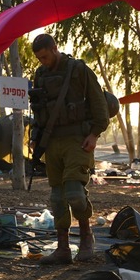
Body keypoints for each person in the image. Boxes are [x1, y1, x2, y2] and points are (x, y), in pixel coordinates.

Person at [29, 34, 110, 265]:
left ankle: (86, 239)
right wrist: (36, 137)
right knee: (57, 198)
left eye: (45, 56)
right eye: (39, 58)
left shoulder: (79, 70)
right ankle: (63, 248)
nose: (42, 61)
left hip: (78, 139)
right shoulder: (41, 75)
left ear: (55, 48)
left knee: (74, 192)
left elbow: (99, 104)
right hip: (52, 142)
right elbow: (38, 110)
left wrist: (94, 134)